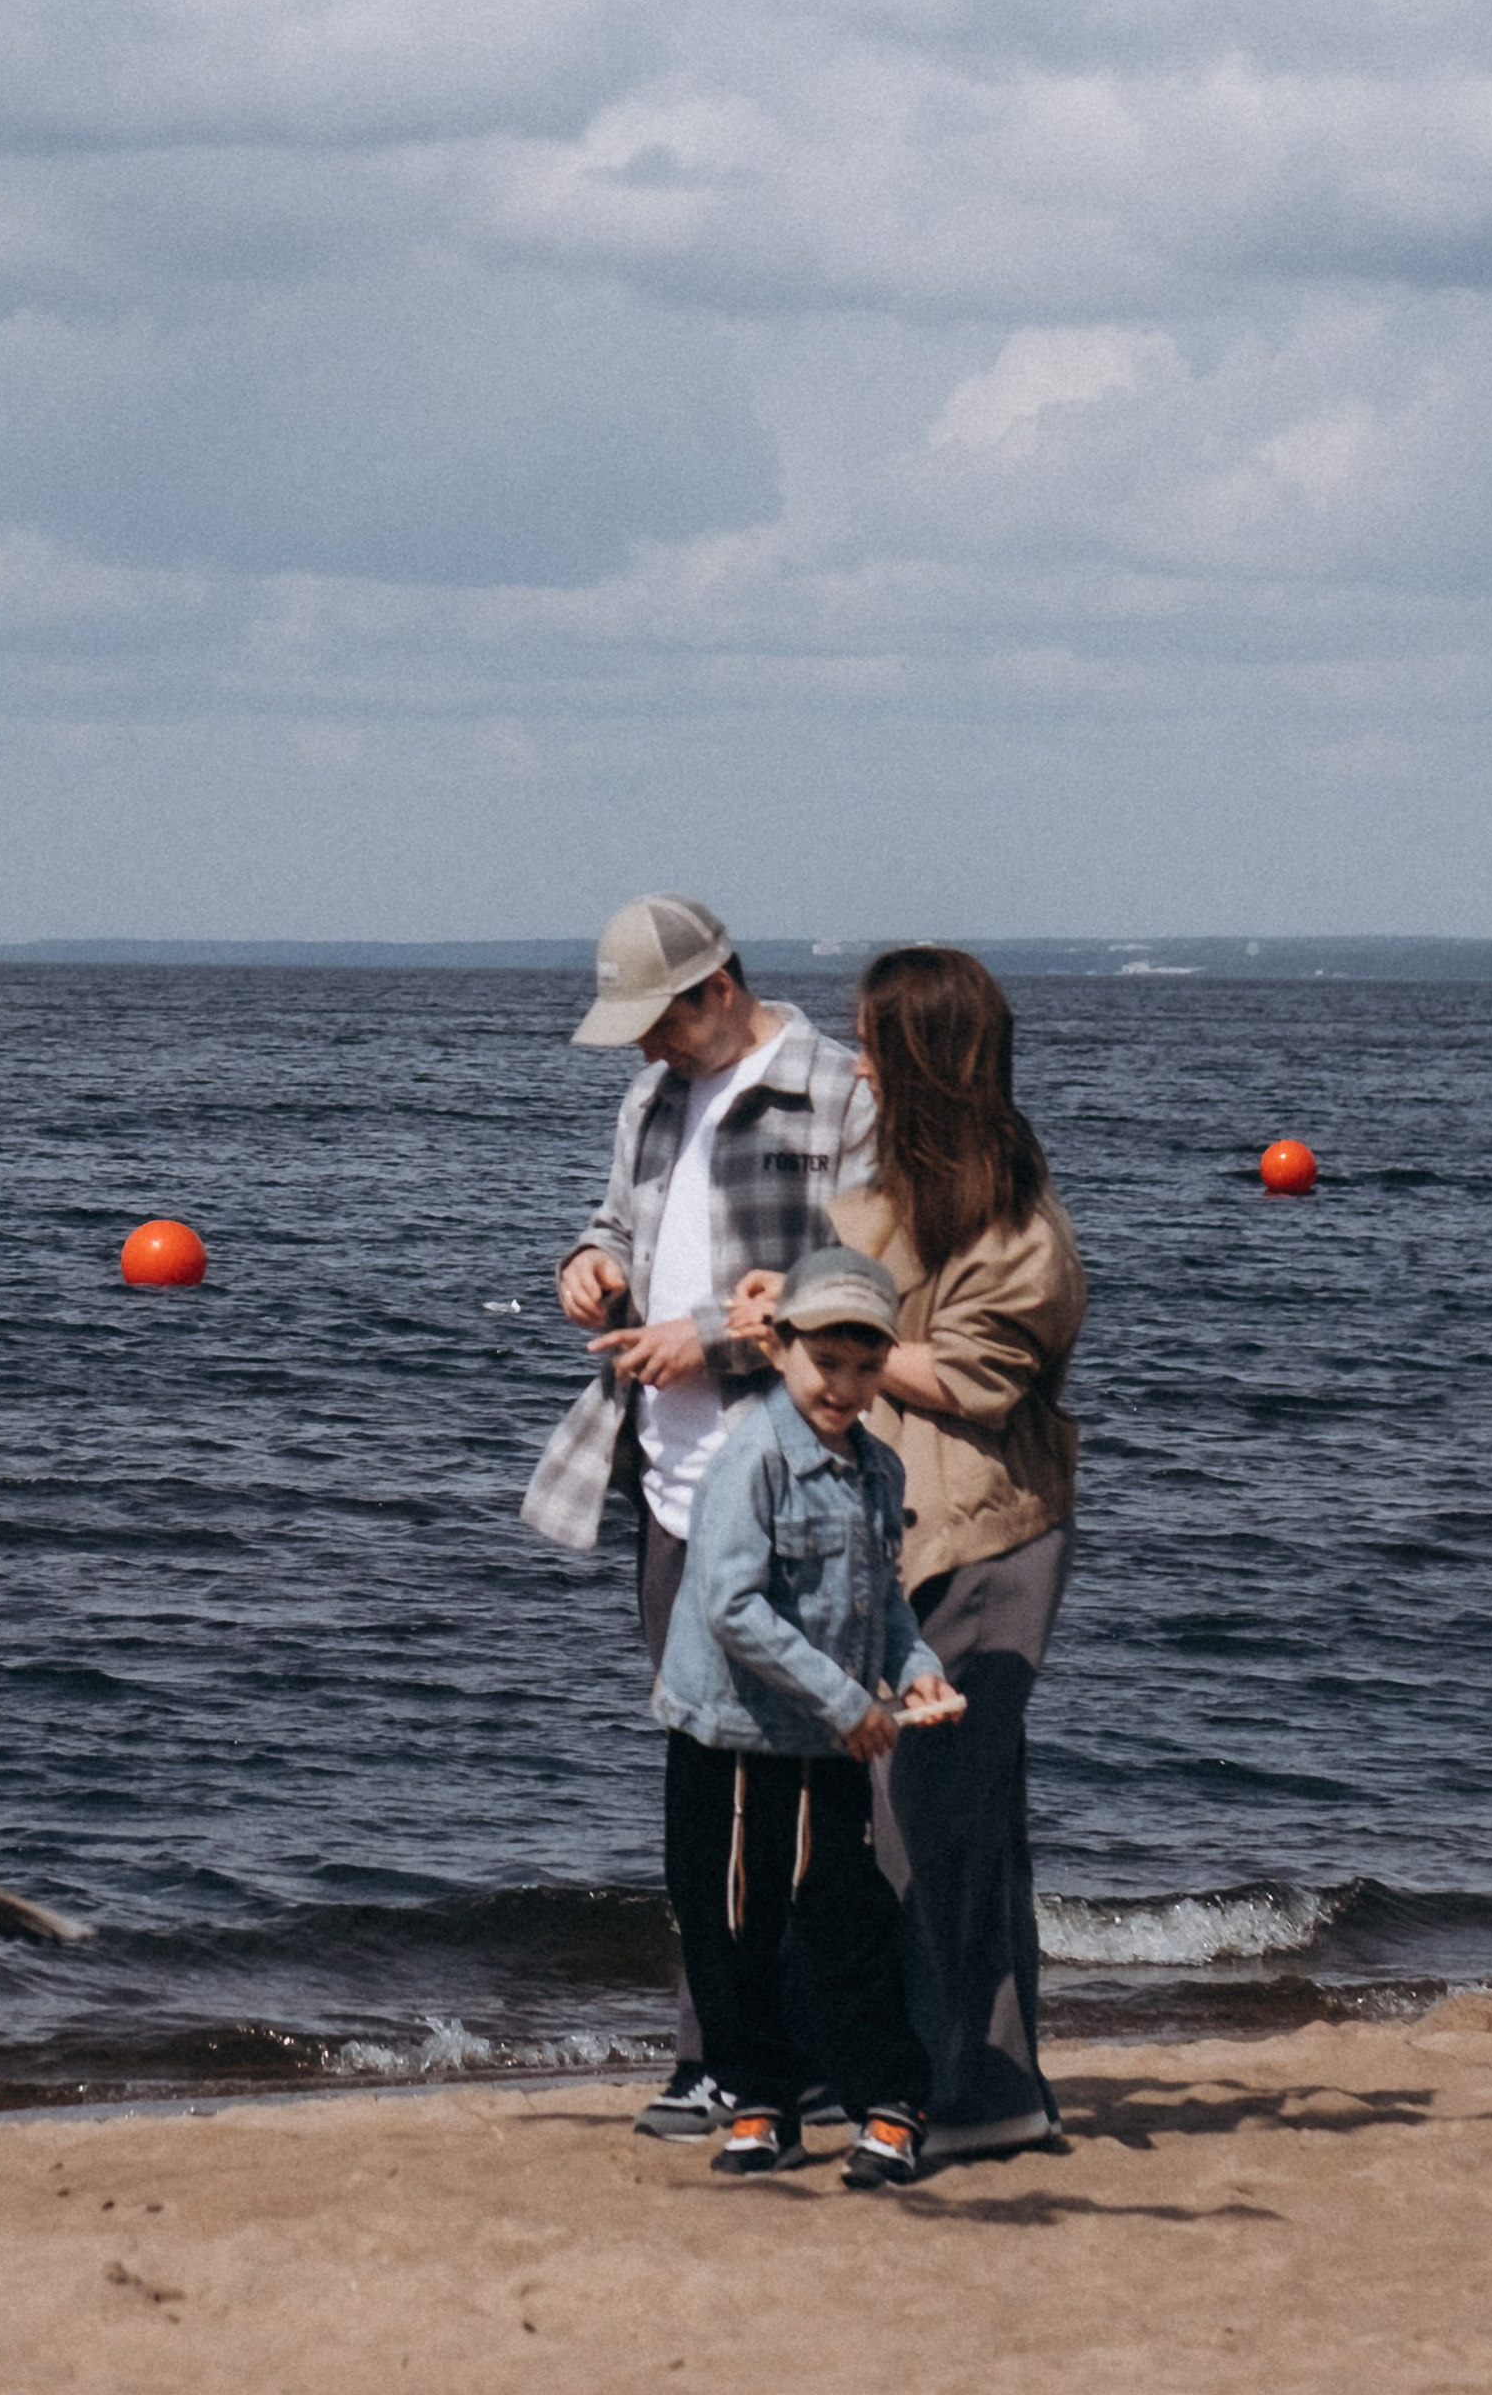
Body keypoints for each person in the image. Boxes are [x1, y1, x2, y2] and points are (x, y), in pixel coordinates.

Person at [523, 892, 875, 2136]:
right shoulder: (655, 1095)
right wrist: (590, 1264)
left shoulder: (837, 1095)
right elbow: (621, 1220)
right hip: (666, 1489)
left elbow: (866, 1290)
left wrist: (715, 1335)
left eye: (653, 1022)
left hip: (789, 1491)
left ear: (716, 986)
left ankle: (794, 2058)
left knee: (789, 1794)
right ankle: (721, 2052)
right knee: (704, 1793)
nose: (638, 1048)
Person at [833, 943, 1086, 2161]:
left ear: (921, 1056)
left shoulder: (1017, 1221)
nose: (859, 1061)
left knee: (939, 1819)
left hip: (988, 1540)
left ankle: (983, 2094)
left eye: (874, 1041)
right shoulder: (885, 1193)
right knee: (931, 1819)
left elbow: (976, 1382)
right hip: (903, 1542)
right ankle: (952, 2075)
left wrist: (820, 1337)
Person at [653, 1246, 960, 2187]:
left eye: (868, 1366)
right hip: (732, 1737)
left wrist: (914, 1672)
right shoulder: (752, 1459)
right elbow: (731, 1606)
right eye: (827, 1361)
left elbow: (885, 1602)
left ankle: (891, 2103)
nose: (847, 1385)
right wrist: (843, 1700)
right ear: (782, 1347)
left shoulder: (878, 1471)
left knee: (843, 1919)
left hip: (827, 1738)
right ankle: (761, 2102)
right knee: (729, 1926)